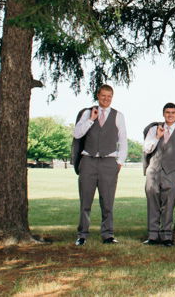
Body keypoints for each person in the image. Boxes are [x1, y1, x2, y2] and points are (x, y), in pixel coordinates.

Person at [71, 84, 127, 246]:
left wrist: (120, 162)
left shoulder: (118, 115)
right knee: (85, 201)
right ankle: (82, 234)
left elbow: (123, 140)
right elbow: (77, 134)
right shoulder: (87, 113)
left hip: (109, 162)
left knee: (108, 201)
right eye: (103, 96)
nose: (106, 99)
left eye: (109, 96)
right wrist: (91, 120)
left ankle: (108, 234)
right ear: (98, 95)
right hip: (88, 161)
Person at [142, 103, 175, 247]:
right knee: (152, 203)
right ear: (163, 114)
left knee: (169, 204)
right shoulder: (153, 129)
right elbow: (147, 148)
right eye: (167, 112)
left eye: (173, 112)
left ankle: (167, 236)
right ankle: (152, 235)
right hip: (154, 171)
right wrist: (157, 136)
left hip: (173, 171)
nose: (170, 115)